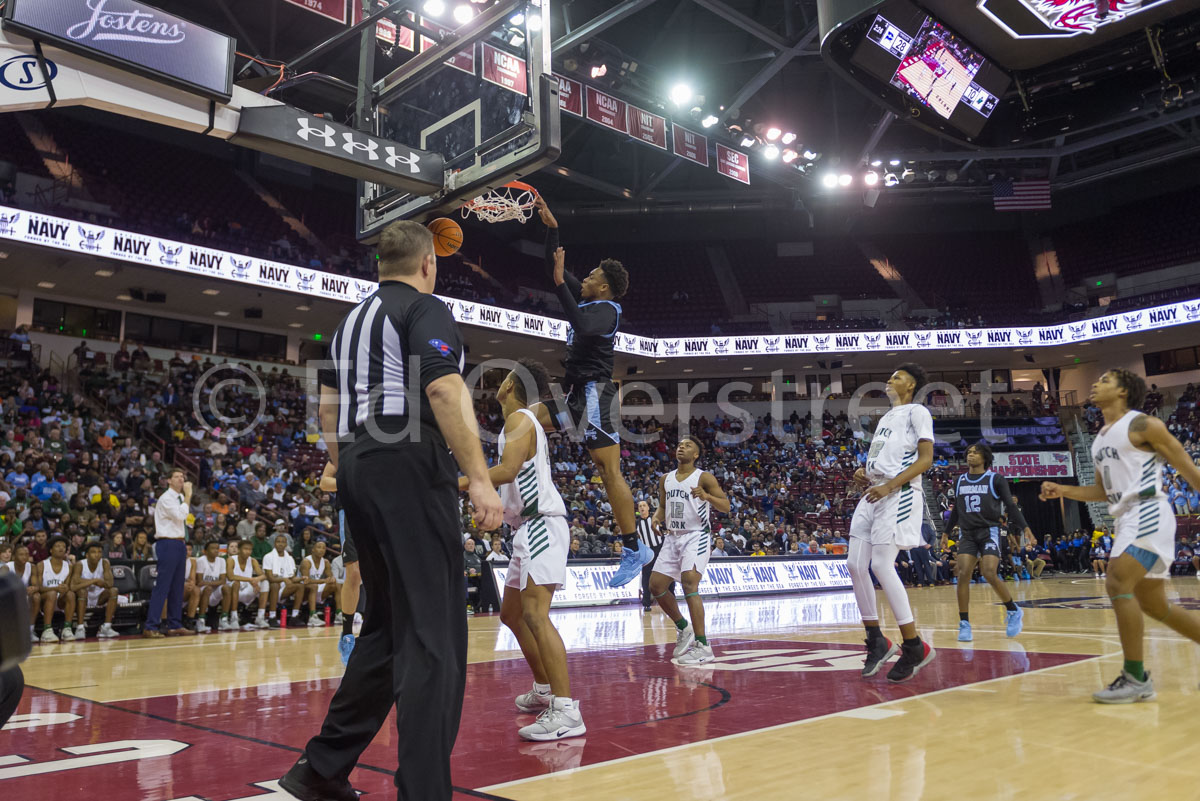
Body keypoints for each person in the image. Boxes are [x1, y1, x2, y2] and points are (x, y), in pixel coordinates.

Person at [282, 220, 502, 801]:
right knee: (435, 635)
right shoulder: (425, 310)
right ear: (428, 264)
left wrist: (345, 465)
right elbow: (443, 390)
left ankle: (320, 769)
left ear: (379, 264)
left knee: (387, 629)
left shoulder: (347, 323)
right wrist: (479, 479)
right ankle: (423, 790)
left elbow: (327, 410)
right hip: (407, 459)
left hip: (356, 463)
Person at [1041, 368, 1200, 703]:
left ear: (1124, 391)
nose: (1096, 383)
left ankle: (1135, 677)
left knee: (1116, 582)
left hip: (1149, 511)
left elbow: (1186, 466)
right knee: (1155, 606)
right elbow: (1101, 491)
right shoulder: (1099, 437)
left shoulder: (1143, 425)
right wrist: (1062, 489)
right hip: (1126, 516)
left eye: (1105, 380)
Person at [460, 359, 585, 740]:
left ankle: (566, 711)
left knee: (535, 614)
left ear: (511, 385)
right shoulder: (522, 421)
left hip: (541, 524)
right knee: (512, 614)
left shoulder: (520, 420)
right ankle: (545, 688)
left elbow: (508, 471)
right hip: (525, 526)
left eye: (504, 378)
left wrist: (458, 482)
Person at [532, 197, 649, 589]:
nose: (580, 280)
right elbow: (555, 264)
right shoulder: (589, 298)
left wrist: (558, 280)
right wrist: (553, 227)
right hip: (574, 396)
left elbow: (581, 324)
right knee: (525, 421)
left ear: (603, 285)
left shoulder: (607, 309)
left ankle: (634, 548)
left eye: (589, 277)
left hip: (596, 397)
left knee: (607, 471)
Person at [848, 364, 937, 683]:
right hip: (875, 491)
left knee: (882, 565)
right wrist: (866, 473)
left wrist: (889, 484)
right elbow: (888, 457)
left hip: (898, 494)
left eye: (898, 376)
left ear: (911, 385)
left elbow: (926, 459)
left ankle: (914, 646)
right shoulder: (887, 417)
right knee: (856, 565)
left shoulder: (918, 411)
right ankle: (876, 639)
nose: (890, 379)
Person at [649, 436, 730, 666]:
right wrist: (656, 516)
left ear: (696, 454)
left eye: (688, 445)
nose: (681, 446)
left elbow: (726, 506)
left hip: (696, 535)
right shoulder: (665, 479)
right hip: (672, 537)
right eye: (679, 444)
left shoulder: (703, 477)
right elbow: (663, 506)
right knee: (656, 586)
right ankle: (684, 628)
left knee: (689, 584)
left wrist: (707, 496)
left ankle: (703, 646)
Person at [947, 443, 1032, 642]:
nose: (971, 455)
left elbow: (1010, 506)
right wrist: (946, 532)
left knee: (989, 572)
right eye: (968, 452)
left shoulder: (995, 479)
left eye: (975, 452)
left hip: (989, 531)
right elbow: (957, 510)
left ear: (985, 457)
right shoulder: (959, 480)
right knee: (963, 573)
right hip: (967, 533)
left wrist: (1026, 528)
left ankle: (1013, 610)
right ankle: (964, 623)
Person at [144, 469, 193, 638]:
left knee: (177, 588)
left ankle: (174, 624)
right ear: (169, 481)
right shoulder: (167, 498)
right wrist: (189, 495)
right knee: (163, 586)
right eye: (177, 477)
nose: (182, 479)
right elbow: (180, 516)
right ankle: (151, 626)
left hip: (179, 543)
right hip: (167, 543)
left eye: (182, 476)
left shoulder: (178, 498)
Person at [321, 462, 362, 665]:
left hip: (380, 510)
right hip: (351, 511)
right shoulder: (343, 446)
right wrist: (356, 482)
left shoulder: (385, 444)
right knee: (353, 573)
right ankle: (347, 636)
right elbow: (324, 483)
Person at [70, 542, 118, 638]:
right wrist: (94, 581)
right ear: (87, 555)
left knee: (114, 590)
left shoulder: (105, 563)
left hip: (99, 597)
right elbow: (73, 586)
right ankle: (80, 628)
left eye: (99, 552)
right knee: (82, 592)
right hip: (83, 598)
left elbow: (109, 584)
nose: (97, 554)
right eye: (93, 552)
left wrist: (83, 581)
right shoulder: (80, 565)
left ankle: (106, 627)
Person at [34, 536, 77, 643]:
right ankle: (47, 630)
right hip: (45, 601)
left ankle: (67, 629)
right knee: (52, 593)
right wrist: (55, 588)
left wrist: (65, 588)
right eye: (57, 546)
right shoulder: (41, 565)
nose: (61, 548)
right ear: (51, 550)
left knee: (70, 594)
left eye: (63, 546)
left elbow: (67, 587)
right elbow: (38, 588)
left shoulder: (69, 566)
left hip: (60, 601)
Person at [221, 539, 268, 631]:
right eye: (245, 549)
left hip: (247, 589)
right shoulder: (231, 560)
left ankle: (260, 617)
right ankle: (234, 618)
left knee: (265, 583)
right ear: (239, 550)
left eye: (250, 549)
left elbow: (263, 575)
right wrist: (250, 579)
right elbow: (230, 577)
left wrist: (257, 579)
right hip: (233, 591)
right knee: (236, 583)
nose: (248, 551)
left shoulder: (253, 560)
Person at [263, 533, 304, 628]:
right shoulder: (268, 557)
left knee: (300, 585)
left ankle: (294, 616)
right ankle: (272, 617)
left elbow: (292, 578)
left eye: (283, 542)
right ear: (274, 544)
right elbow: (270, 578)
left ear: (286, 545)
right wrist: (283, 579)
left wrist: (302, 578)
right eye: (278, 542)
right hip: (270, 589)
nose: (280, 544)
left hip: (285, 588)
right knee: (275, 584)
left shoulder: (290, 559)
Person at [188, 540, 228, 633]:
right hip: (204, 591)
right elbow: (200, 582)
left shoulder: (222, 560)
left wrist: (208, 582)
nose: (216, 550)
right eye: (213, 548)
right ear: (205, 551)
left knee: (226, 588)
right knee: (208, 588)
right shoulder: (201, 560)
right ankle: (201, 620)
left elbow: (223, 581)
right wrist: (215, 583)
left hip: (215, 590)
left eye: (217, 548)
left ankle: (224, 619)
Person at [636, 499, 666, 610]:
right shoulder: (637, 523)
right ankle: (647, 603)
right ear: (638, 510)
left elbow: (665, 531)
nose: (642, 507)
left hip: (659, 549)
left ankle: (669, 598)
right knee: (646, 578)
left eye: (644, 505)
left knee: (665, 575)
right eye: (640, 506)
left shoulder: (655, 518)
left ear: (648, 507)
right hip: (647, 552)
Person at [300, 541, 335, 628]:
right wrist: (323, 581)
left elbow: (331, 577)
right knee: (313, 586)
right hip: (302, 590)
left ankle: (339, 613)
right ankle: (312, 616)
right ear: (313, 550)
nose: (321, 550)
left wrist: (332, 579)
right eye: (319, 547)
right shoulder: (306, 561)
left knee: (336, 585)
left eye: (324, 548)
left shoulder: (326, 562)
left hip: (316, 589)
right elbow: (306, 581)